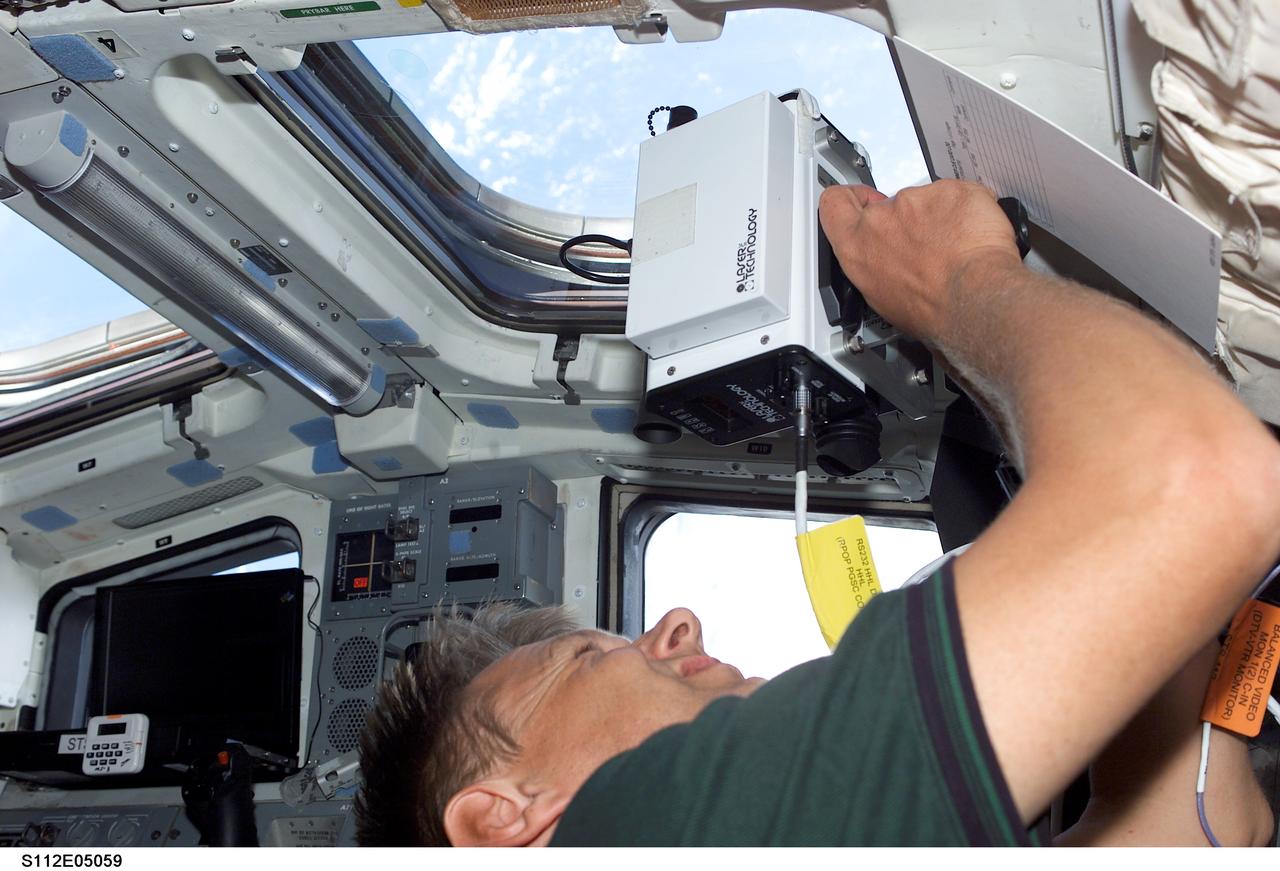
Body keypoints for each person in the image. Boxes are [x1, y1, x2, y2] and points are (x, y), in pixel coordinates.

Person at [355, 180, 1280, 846]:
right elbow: (1203, 477)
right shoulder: (638, 831)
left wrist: (1123, 555)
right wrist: (958, 281)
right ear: (502, 818)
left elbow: (1205, 826)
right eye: (589, 657)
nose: (675, 623)